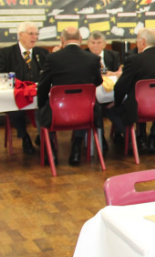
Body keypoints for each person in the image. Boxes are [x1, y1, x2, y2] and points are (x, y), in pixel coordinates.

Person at [37, 27, 102, 166]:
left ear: (62, 40)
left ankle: (52, 153)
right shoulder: (93, 58)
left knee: (42, 111)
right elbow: (98, 82)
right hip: (86, 114)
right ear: (80, 39)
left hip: (58, 113)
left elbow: (43, 86)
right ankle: (76, 148)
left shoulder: (52, 58)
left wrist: (41, 104)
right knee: (81, 107)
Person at [109, 29, 155, 155]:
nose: (136, 43)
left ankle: (134, 137)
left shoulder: (134, 60)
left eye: (137, 40)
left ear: (143, 42)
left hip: (140, 107)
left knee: (110, 109)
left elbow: (120, 87)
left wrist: (116, 102)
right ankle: (152, 137)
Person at [0, 22, 46, 154]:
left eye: (36, 34)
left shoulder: (41, 53)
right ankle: (24, 136)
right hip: (17, 93)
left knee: (45, 105)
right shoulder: (6, 53)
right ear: (20, 35)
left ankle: (42, 135)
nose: (34, 37)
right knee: (14, 107)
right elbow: (2, 75)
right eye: (31, 34)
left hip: (37, 93)